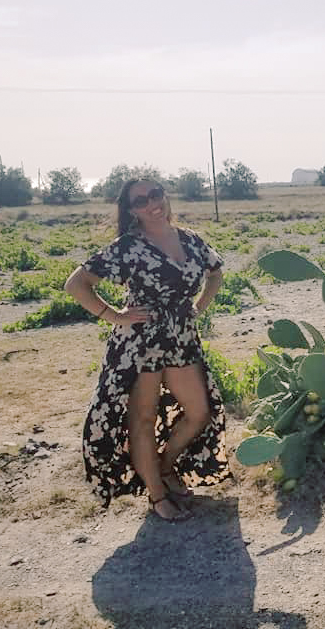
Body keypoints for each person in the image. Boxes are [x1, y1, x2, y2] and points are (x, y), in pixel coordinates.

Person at [65, 179, 231, 521]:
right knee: (142, 419)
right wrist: (114, 316)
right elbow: (76, 284)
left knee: (198, 412)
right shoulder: (127, 247)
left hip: (181, 337)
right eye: (140, 200)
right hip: (139, 343)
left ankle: (165, 468)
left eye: (155, 194)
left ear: (165, 196)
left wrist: (199, 307)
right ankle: (157, 496)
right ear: (131, 210)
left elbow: (215, 272)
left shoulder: (189, 239)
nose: (151, 203)